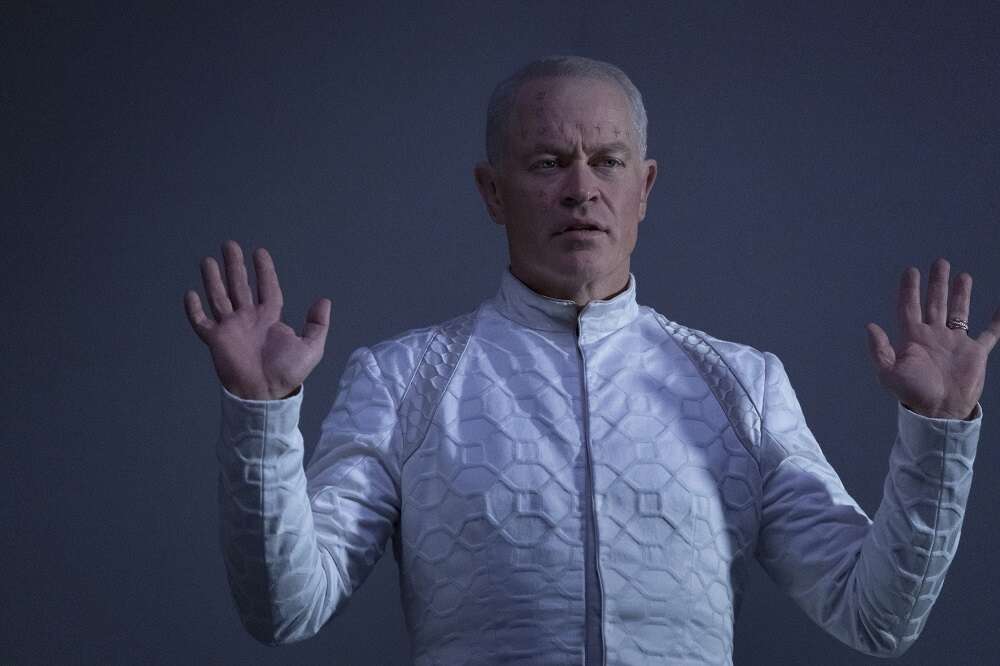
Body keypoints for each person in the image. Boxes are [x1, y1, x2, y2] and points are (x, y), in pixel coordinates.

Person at [184, 56, 998, 665]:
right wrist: (263, 418)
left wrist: (939, 432)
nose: (582, 189)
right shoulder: (403, 381)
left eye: (608, 161)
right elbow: (285, 609)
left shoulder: (741, 386)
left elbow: (875, 617)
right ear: (492, 191)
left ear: (645, 187)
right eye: (548, 163)